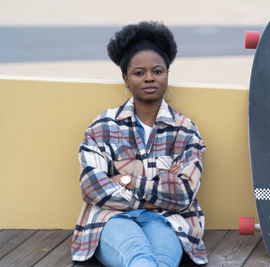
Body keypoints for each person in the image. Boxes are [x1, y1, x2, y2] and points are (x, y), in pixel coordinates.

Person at [71, 21, 207, 266]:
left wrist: (127, 180)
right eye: (139, 73)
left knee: (163, 261)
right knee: (139, 257)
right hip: (113, 219)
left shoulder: (185, 130)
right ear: (126, 78)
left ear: (167, 74)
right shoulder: (103, 125)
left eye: (157, 71)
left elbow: (184, 193)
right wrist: (154, 193)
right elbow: (92, 186)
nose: (149, 78)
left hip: (166, 220)